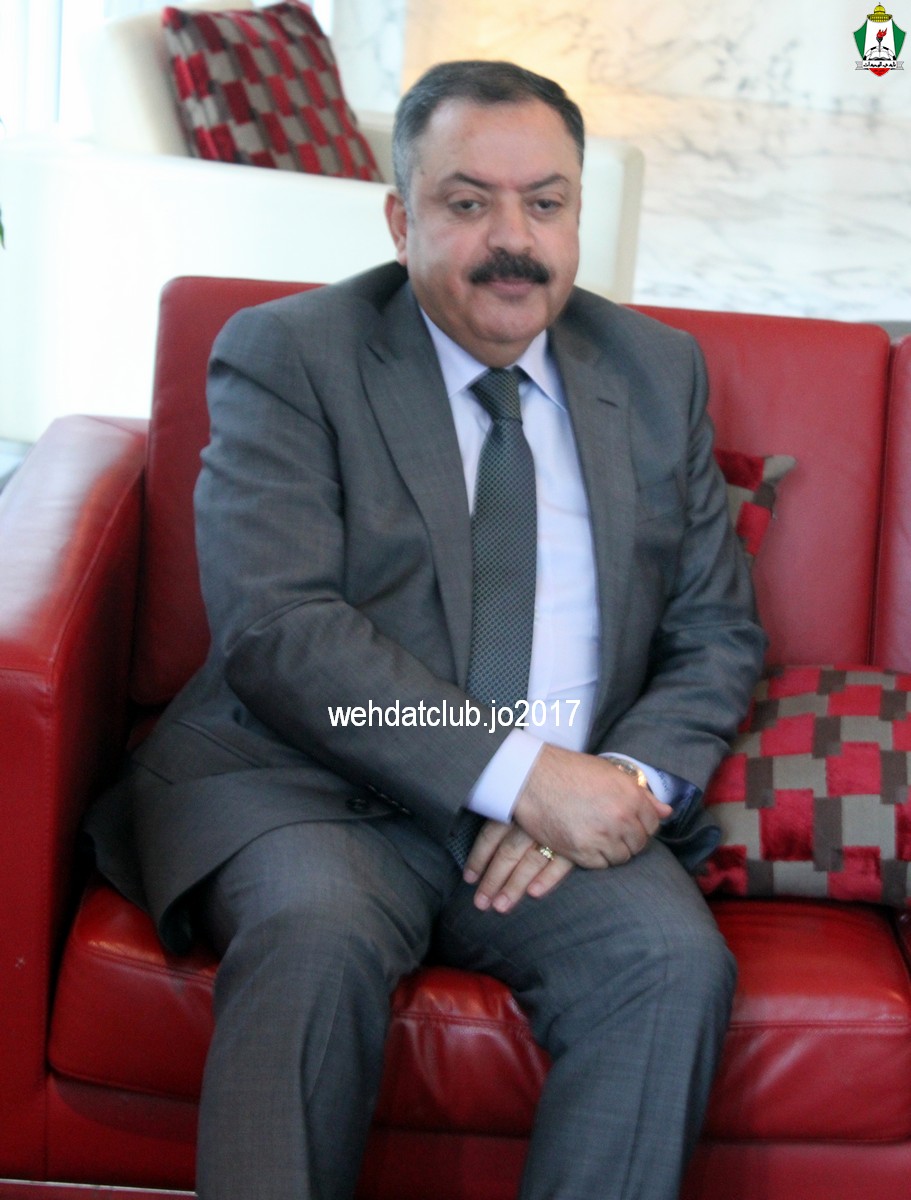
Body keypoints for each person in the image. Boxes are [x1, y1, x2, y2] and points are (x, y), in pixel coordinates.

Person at [88, 59, 767, 1200]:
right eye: (467, 202)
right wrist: (515, 774)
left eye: (544, 203)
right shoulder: (291, 354)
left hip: (557, 813)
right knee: (311, 939)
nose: (513, 239)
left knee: (667, 964)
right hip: (315, 784)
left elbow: (715, 630)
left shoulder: (655, 373)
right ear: (402, 222)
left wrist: (618, 779)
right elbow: (279, 628)